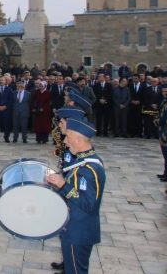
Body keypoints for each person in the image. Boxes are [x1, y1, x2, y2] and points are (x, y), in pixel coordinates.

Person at [47, 114, 106, 274]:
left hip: (79, 230)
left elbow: (88, 204)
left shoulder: (89, 169)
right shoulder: (83, 161)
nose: (65, 141)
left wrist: (63, 185)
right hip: (74, 227)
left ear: (78, 141)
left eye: (68, 138)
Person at [31, 80, 52, 144]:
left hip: (45, 113)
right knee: (38, 126)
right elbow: (33, 101)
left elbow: (49, 102)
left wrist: (43, 108)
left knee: (45, 126)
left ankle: (44, 139)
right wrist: (33, 108)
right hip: (38, 112)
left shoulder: (48, 93)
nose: (40, 86)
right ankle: (38, 139)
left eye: (42, 85)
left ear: (45, 86)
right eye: (40, 85)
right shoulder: (36, 92)